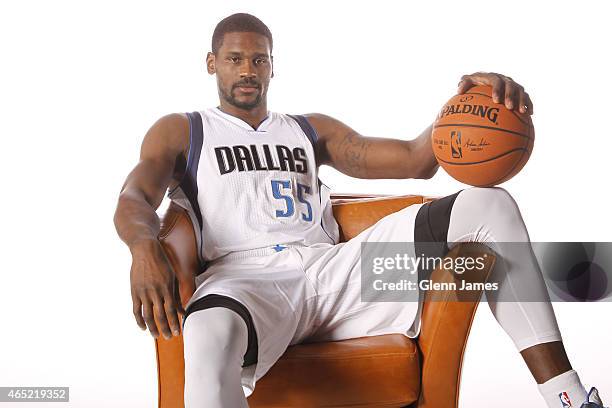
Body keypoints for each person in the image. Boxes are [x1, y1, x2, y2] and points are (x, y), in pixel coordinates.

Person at [113, 13, 606, 408]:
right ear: (211, 63)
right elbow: (135, 197)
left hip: (337, 275)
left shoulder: (309, 129)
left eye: (259, 60)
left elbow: (417, 160)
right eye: (235, 59)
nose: (247, 70)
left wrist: (467, 105)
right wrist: (142, 247)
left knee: (490, 205)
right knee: (207, 329)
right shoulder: (184, 129)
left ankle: (566, 396)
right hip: (247, 281)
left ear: (271, 65)